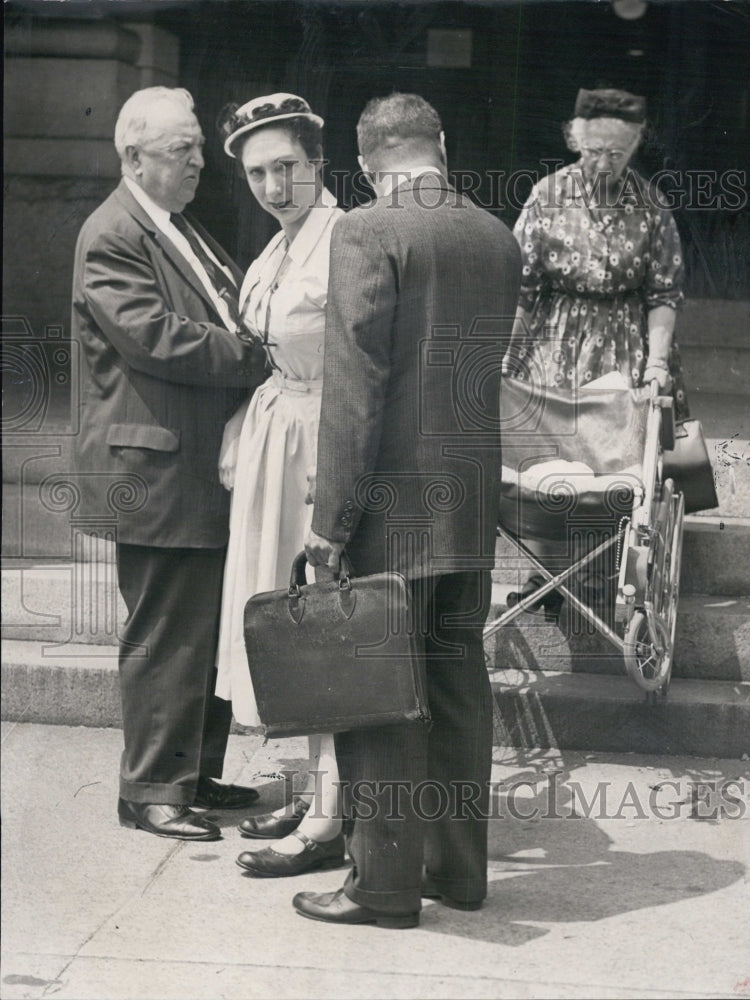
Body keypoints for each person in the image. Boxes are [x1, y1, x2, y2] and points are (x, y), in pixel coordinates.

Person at [299, 93, 522, 928]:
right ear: (441, 145)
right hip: (465, 501)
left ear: (366, 163)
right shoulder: (494, 236)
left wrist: (330, 521)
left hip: (391, 505)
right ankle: (457, 872)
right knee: (458, 682)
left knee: (380, 693)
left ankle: (381, 887)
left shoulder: (365, 230)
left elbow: (355, 392)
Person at [72, 87, 267, 841]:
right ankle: (151, 790)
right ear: (132, 158)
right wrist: (260, 356)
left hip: (192, 465)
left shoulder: (175, 226)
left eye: (195, 148)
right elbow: (156, 337)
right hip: (154, 470)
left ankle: (191, 776)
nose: (196, 163)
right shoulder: (112, 233)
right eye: (178, 150)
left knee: (207, 626)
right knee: (166, 632)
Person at [213, 94, 346, 877]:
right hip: (276, 438)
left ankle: (332, 817)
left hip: (320, 448)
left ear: (317, 163)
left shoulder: (342, 240)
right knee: (284, 623)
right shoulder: (278, 247)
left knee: (319, 622)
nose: (271, 184)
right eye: (257, 172)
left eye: (284, 166)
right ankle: (316, 787)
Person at [502, 86, 689, 615]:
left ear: (635, 147)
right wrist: (506, 357)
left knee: (616, 462)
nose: (604, 163)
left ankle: (611, 580)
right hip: (554, 342)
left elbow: (663, 294)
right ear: (574, 141)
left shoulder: (651, 205)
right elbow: (522, 288)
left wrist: (656, 362)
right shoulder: (545, 195)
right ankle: (550, 582)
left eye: (617, 153)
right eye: (593, 152)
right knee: (552, 464)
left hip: (624, 344)